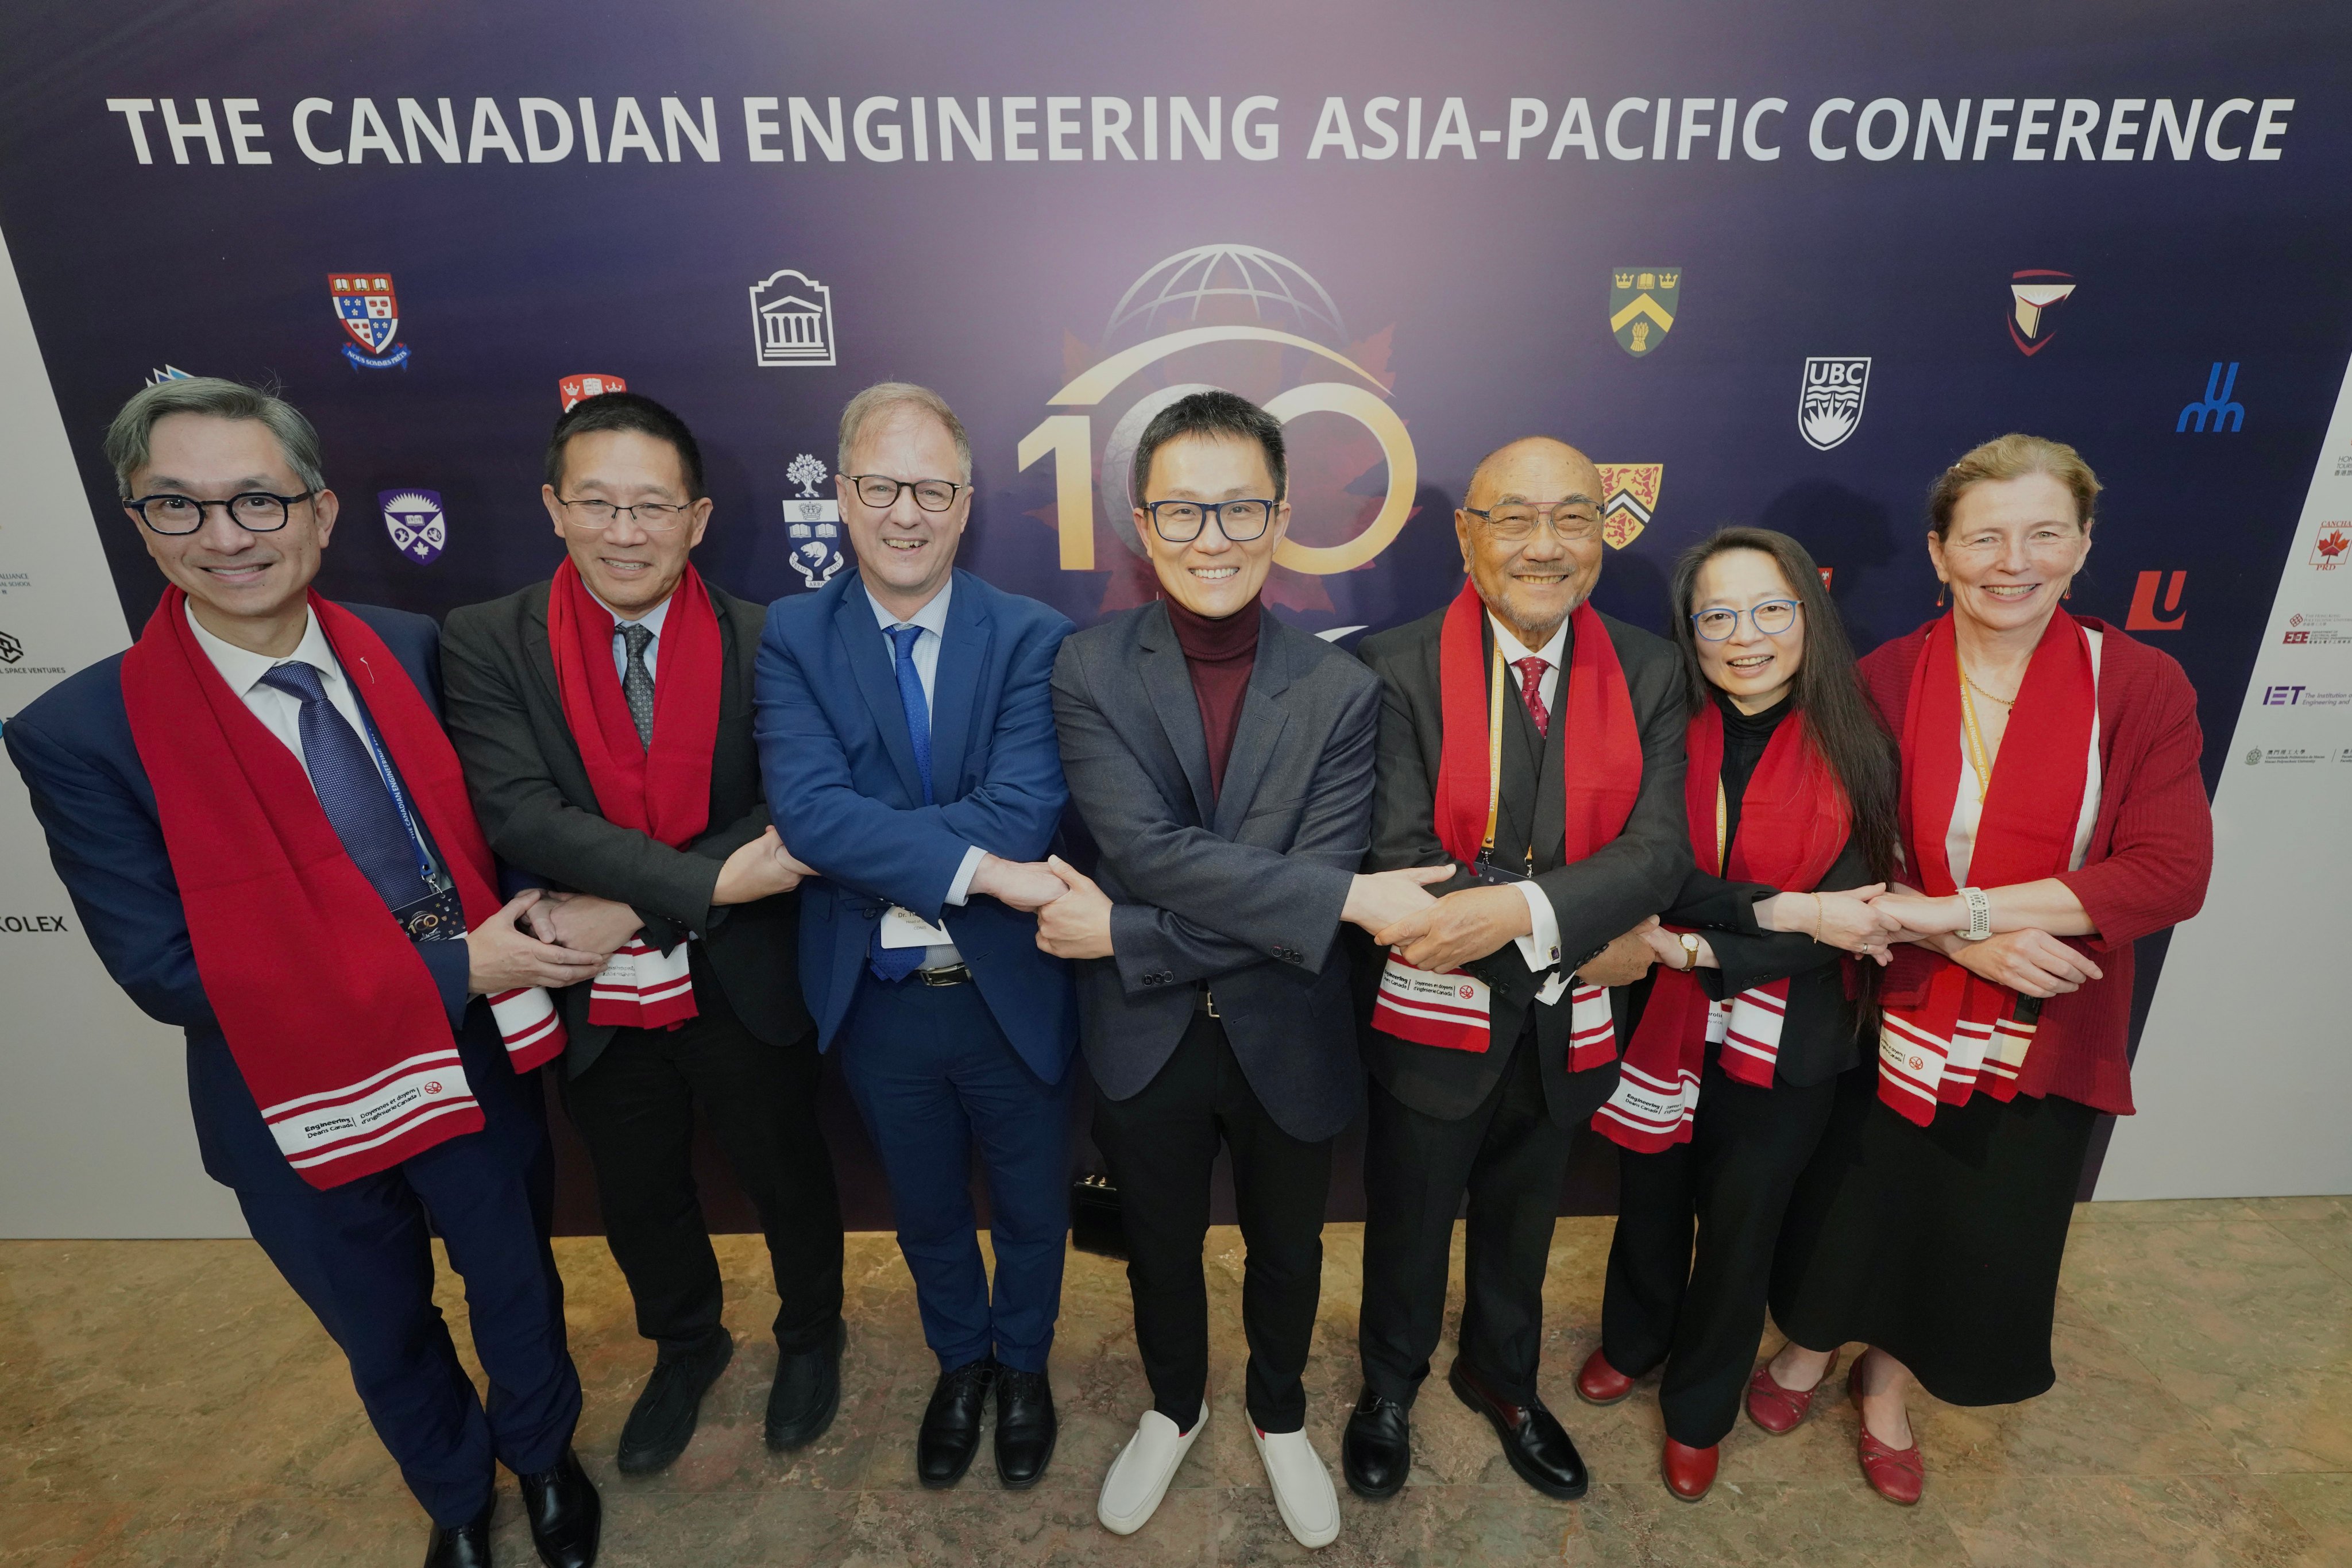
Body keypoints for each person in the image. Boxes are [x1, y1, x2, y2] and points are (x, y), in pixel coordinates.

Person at [4, 379, 606, 1568]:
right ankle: (451, 1495)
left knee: (515, 1286)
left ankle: (541, 1458)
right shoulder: (81, 733)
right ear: (138, 523)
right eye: (178, 506)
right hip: (284, 1100)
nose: (225, 538)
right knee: (381, 1326)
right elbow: (165, 969)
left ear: (321, 513)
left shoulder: (412, 648)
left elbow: (497, 832)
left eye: (257, 501)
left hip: (468, 1060)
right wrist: (452, 966)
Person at [1759, 435, 2213, 1506]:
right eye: (1986, 537)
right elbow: (1847, 852)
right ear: (1940, 553)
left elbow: (2166, 872)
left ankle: (1886, 1385)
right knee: (1857, 1200)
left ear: (2084, 545)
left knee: (1969, 1214)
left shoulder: (2139, 683)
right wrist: (1962, 939)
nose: (2014, 561)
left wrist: (1961, 909)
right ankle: (1808, 1348)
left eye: (2044, 534)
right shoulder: (1887, 675)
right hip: (1895, 999)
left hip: (2045, 1020)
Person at [1037, 391, 1449, 1547]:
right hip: (1142, 1036)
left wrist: (1126, 934)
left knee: (1287, 1247)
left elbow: (1292, 893)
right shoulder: (1086, 670)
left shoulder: (1342, 691)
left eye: (1237, 509)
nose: (1209, 537)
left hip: (1287, 1028)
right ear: (1140, 521)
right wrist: (1334, 900)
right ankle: (1172, 1407)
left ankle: (1277, 1416)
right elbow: (1147, 853)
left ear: (1277, 518)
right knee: (1158, 1246)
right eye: (1182, 509)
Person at [440, 391, 847, 1477]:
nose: (627, 532)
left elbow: (794, 809)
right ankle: (686, 1339)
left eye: (653, 507)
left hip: (742, 972)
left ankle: (812, 1332)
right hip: (588, 985)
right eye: (600, 504)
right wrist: (701, 882)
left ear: (698, 519)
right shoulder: (488, 640)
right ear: (554, 508)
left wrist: (634, 900)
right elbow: (520, 810)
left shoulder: (773, 639)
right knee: (635, 1185)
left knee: (786, 1168)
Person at [1342, 437, 1691, 1503]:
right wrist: (1582, 922)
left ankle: (1502, 1379)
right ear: (1467, 534)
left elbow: (1660, 850)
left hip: (1569, 1027)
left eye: (1572, 517)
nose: (1544, 546)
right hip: (1435, 1020)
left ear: (1603, 530)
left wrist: (1525, 908)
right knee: (1407, 1218)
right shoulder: (1388, 666)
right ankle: (1388, 1387)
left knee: (1525, 1225)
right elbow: (1402, 860)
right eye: (1514, 518)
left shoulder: (1650, 667)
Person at [754, 382, 1077, 1490]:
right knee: (929, 1213)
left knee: (1034, 1212)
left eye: (931, 489)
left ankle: (1024, 1368)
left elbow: (1025, 809)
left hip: (1010, 993)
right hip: (878, 997)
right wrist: (984, 871)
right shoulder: (793, 634)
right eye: (882, 487)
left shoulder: (1033, 634)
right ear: (842, 496)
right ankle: (961, 1367)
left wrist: (867, 835)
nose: (906, 513)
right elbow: (808, 814)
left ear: (966, 502)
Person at [1573, 528, 1901, 1503]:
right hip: (1660, 1028)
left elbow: (1851, 925)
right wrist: (1777, 908)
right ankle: (1633, 1339)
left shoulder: (1862, 744)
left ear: (1809, 614)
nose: (1743, 636)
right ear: (1691, 631)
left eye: (1769, 610)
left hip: (1790, 1040)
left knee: (1743, 1230)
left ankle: (1700, 1407)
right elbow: (1659, 873)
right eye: (1717, 615)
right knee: (1650, 1201)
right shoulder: (1659, 730)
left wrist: (1694, 943)